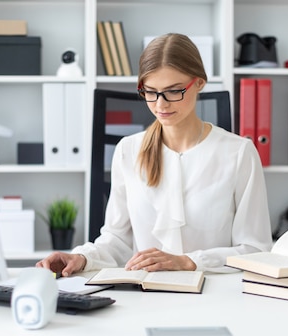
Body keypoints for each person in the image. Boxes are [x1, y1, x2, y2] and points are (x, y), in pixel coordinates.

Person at [37, 33, 272, 277]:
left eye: (173, 91)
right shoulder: (128, 151)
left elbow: (255, 250)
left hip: (214, 294)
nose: (161, 105)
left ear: (200, 83)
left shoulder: (238, 153)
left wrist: (188, 261)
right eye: (150, 92)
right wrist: (81, 257)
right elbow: (117, 240)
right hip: (145, 294)